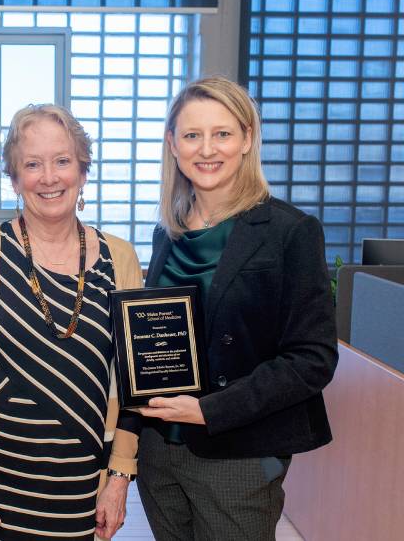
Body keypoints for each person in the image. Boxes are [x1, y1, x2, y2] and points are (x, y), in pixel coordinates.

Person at [135, 76, 338, 540]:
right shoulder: (167, 233)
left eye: (222, 133)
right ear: (172, 144)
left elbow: (312, 359)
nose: (207, 149)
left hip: (239, 452)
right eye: (192, 135)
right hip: (161, 450)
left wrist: (211, 411)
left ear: (247, 138)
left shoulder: (290, 231)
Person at [0, 104, 143, 541]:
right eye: (32, 164)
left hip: (84, 491)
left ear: (83, 172)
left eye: (63, 161)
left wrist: (120, 477)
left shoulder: (121, 260)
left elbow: (132, 383)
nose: (49, 177)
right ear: (14, 178)